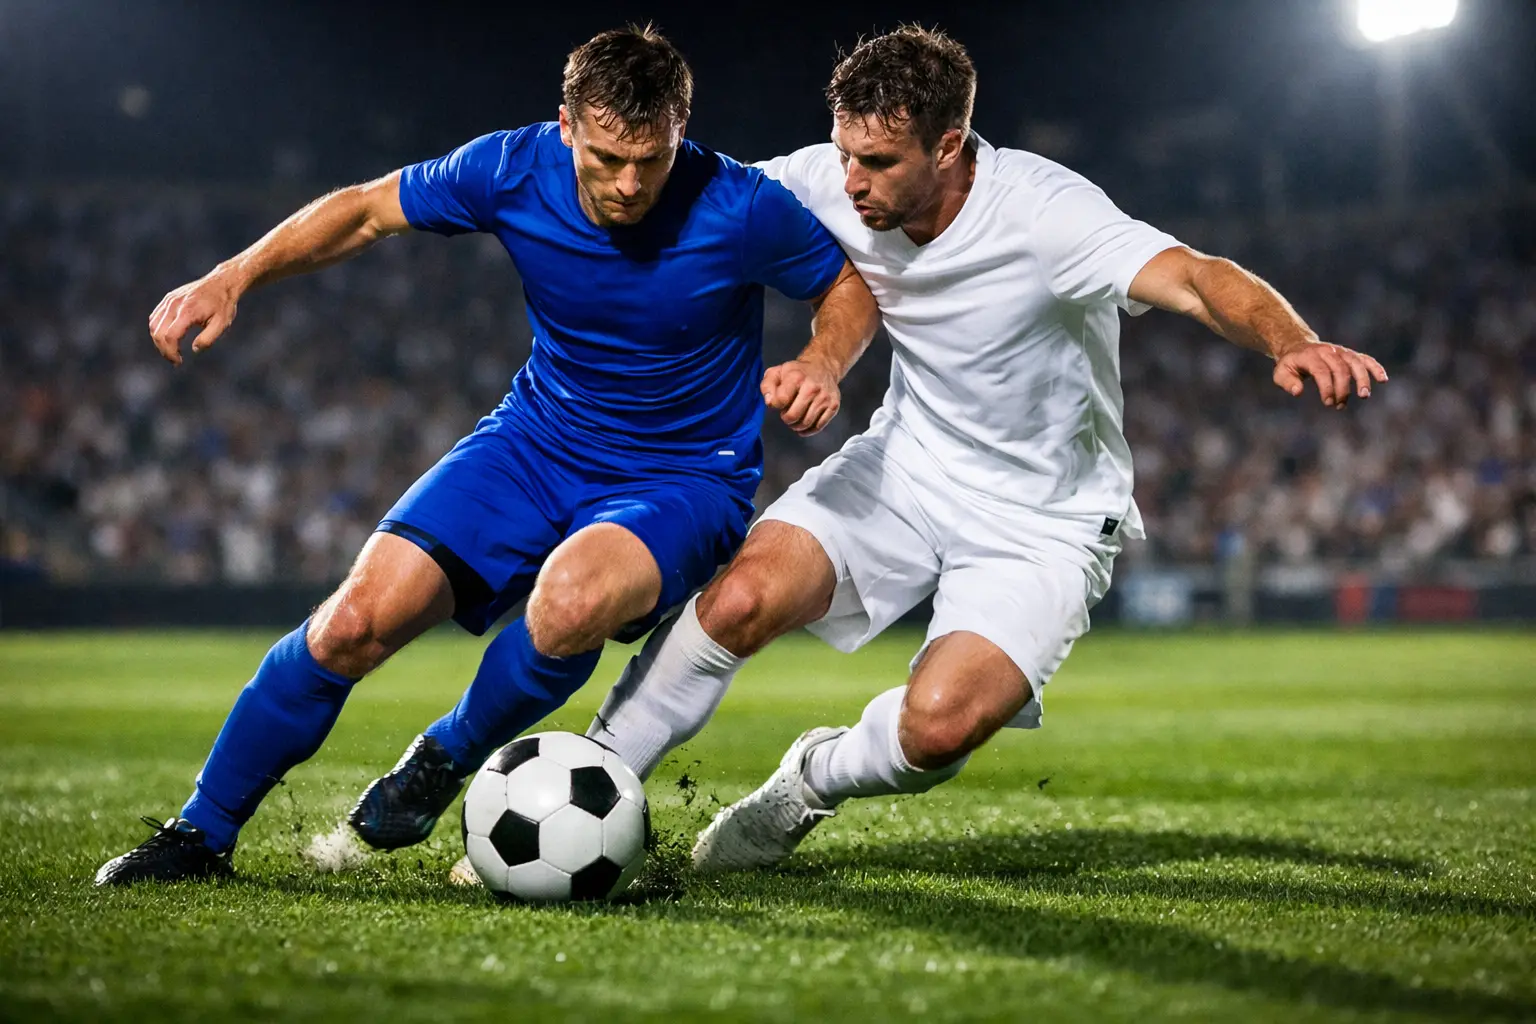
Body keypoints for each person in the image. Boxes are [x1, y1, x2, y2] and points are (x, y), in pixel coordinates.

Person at [576, 26, 1388, 874]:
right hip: (908, 463)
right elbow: (694, 193)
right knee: (742, 598)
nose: (853, 181)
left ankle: (806, 781)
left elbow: (1193, 275)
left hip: (1046, 516)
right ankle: (592, 777)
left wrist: (1292, 341)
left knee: (938, 730)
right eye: (845, 151)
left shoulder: (1045, 213)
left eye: (881, 162)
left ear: (950, 145)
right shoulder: (828, 179)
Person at [95, 25, 878, 885]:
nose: (629, 184)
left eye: (651, 160)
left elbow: (844, 285)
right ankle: (199, 835)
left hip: (681, 475)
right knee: (353, 622)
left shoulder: (739, 204)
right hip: (534, 441)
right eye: (607, 157)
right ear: (565, 125)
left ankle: (447, 752)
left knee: (573, 600)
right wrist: (232, 275)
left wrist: (820, 360)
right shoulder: (510, 167)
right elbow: (363, 211)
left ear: (680, 130)